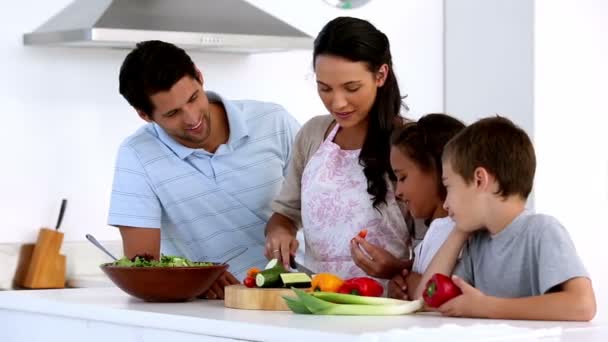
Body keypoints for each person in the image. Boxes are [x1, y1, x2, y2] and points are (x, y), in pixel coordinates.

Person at [108, 40, 300, 299]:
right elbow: (143, 266)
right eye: (173, 113)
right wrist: (197, 276)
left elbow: (321, 201)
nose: (192, 119)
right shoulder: (137, 155)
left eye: (193, 98)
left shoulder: (273, 121)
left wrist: (284, 225)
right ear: (145, 115)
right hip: (208, 310)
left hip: (298, 295)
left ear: (199, 76)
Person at [265, 17, 416, 281]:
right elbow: (286, 213)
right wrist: (279, 232)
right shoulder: (313, 134)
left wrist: (398, 267)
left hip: (387, 304)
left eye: (351, 88)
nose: (338, 102)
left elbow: (438, 242)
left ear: (381, 75)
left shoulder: (411, 141)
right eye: (324, 88)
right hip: (317, 299)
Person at [417, 116, 596, 321]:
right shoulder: (477, 243)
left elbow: (582, 305)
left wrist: (486, 307)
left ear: (479, 179)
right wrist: (460, 231)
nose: (446, 204)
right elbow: (426, 301)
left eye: (448, 187)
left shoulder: (542, 231)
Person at [386, 113, 465, 300]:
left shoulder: (458, 231)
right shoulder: (437, 230)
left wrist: (413, 285)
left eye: (403, 177)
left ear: (438, 170)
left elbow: (441, 294)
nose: (398, 191)